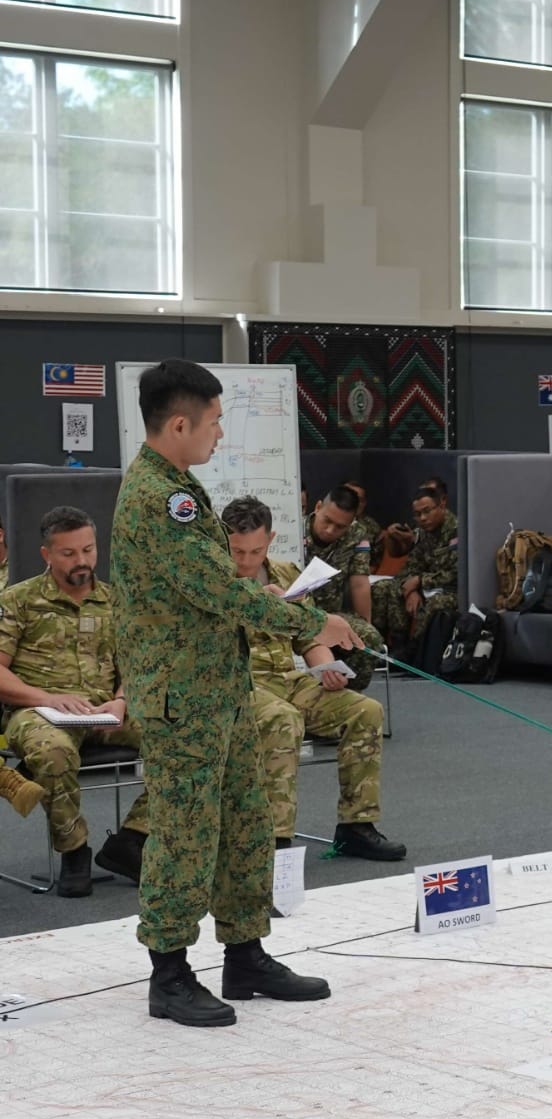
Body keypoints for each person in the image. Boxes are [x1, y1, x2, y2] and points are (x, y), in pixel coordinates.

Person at [113, 359, 359, 1028]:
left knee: (245, 824)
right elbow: (220, 591)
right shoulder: (160, 499)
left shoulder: (180, 486)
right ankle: (168, 972)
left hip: (218, 689)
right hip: (180, 697)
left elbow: (213, 592)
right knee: (185, 833)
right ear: (182, 422)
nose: (221, 433)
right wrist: (316, 624)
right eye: (216, 421)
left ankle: (244, 955)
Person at [219, 498, 405, 863]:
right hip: (242, 683)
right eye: (236, 551)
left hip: (289, 681)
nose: (245, 560)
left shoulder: (286, 573)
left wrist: (327, 668)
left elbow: (308, 638)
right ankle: (275, 842)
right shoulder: (214, 583)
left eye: (255, 550)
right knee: (283, 719)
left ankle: (357, 825)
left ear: (270, 539)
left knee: (365, 710)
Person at [0, 507, 149, 895]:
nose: (81, 560)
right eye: (68, 553)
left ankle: (132, 839)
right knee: (52, 754)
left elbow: (139, 664)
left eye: (88, 549)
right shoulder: (18, 600)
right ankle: (74, 850)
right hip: (37, 713)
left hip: (105, 711)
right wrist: (47, 698)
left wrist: (120, 701)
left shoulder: (118, 601)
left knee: (188, 738)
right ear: (47, 555)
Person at [305, 486, 384, 689]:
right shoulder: (295, 528)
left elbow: (359, 583)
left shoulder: (357, 535)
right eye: (327, 521)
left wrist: (364, 627)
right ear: (318, 507)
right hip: (297, 612)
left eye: (340, 526)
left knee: (368, 639)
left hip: (332, 613)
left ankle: (346, 696)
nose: (331, 530)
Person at [369, 487, 460, 659]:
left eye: (427, 511)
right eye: (417, 514)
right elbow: (410, 567)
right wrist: (411, 589)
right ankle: (390, 645)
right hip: (428, 586)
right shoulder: (424, 534)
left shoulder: (458, 530)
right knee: (384, 587)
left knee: (435, 603)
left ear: (441, 505)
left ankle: (415, 651)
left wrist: (419, 581)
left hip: (454, 590)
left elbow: (457, 572)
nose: (422, 518)